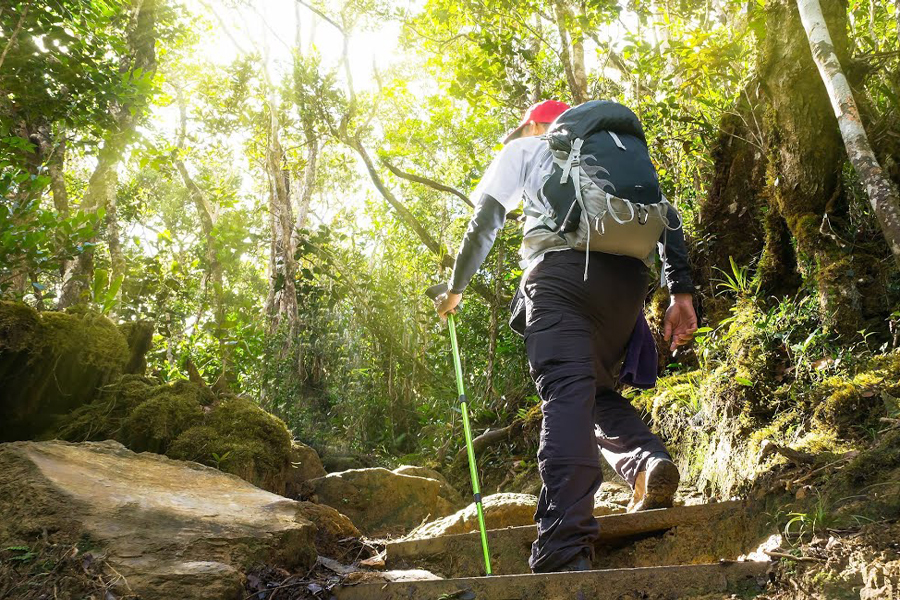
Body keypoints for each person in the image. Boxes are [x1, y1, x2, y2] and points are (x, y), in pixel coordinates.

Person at [433, 99, 698, 574]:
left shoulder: (529, 150)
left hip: (560, 277)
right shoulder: (615, 156)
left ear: (538, 124)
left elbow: (486, 221)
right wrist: (681, 292)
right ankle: (645, 464)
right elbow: (666, 215)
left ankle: (564, 547)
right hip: (626, 285)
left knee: (568, 394)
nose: (518, 134)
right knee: (596, 392)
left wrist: (455, 290)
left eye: (523, 127)